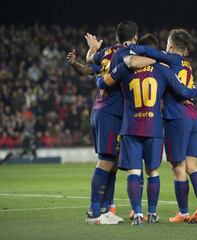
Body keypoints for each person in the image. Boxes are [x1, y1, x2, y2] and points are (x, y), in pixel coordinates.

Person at [96, 34, 197, 225]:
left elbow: (102, 83)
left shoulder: (125, 68)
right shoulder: (163, 69)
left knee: (134, 172)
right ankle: (152, 213)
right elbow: (185, 92)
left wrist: (99, 74)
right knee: (153, 172)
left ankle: (137, 214)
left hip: (131, 127)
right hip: (154, 128)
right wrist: (195, 91)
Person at [126, 29, 197, 223]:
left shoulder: (170, 59)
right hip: (194, 116)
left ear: (170, 46)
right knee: (192, 165)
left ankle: (183, 212)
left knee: (178, 168)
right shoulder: (186, 64)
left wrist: (130, 47)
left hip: (177, 117)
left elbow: (149, 51)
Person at [67, 20, 139, 224]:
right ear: (134, 38)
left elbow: (89, 67)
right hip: (110, 113)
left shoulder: (107, 52)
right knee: (106, 161)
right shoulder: (126, 54)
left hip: (102, 111)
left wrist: (87, 54)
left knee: (114, 162)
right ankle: (93, 211)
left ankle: (106, 209)